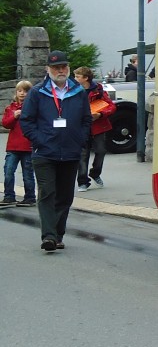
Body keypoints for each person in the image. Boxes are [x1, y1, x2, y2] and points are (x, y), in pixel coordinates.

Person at [20, 50, 92, 252]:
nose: (60, 70)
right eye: (56, 67)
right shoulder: (37, 92)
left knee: (65, 196)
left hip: (70, 151)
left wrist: (80, 139)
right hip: (44, 153)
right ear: (48, 69)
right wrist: (40, 141)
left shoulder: (78, 91)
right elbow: (26, 120)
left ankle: (58, 234)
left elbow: (86, 119)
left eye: (63, 67)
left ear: (68, 68)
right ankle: (49, 236)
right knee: (47, 193)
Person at [74, 66, 115, 190]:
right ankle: (82, 181)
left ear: (85, 78)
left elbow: (111, 106)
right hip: (81, 126)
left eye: (77, 76)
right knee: (82, 154)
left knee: (101, 151)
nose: (74, 79)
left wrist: (100, 114)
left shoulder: (99, 90)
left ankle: (95, 173)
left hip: (98, 125)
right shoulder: (73, 90)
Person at [2, 80, 37, 206]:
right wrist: (14, 116)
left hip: (28, 146)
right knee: (8, 172)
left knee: (28, 174)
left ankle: (30, 197)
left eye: (26, 91)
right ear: (16, 93)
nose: (22, 94)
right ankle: (9, 196)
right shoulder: (10, 108)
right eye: (20, 91)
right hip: (13, 147)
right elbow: (6, 124)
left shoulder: (33, 107)